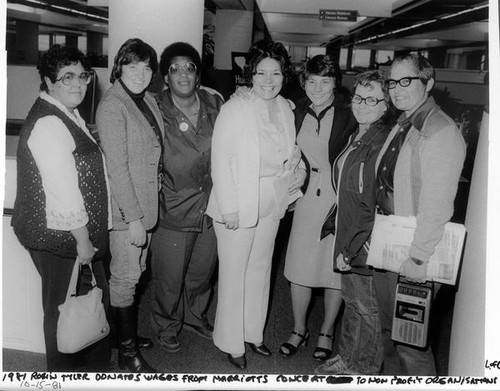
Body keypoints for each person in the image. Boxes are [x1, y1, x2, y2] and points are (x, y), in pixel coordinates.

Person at [206, 40, 305, 370]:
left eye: (275, 72)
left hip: (271, 200)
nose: (268, 79)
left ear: (284, 75)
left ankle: (252, 333)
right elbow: (220, 159)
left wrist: (292, 181)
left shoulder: (286, 109)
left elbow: (290, 156)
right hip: (236, 200)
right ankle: (230, 341)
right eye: (261, 72)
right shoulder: (235, 108)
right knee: (234, 274)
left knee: (261, 270)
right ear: (250, 74)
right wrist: (229, 206)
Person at [12, 44, 111, 372]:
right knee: (65, 315)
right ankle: (65, 377)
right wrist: (83, 241)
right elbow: (63, 191)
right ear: (47, 80)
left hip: (69, 237)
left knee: (79, 310)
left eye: (82, 76)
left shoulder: (66, 114)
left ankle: (84, 373)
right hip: (63, 239)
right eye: (66, 77)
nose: (77, 84)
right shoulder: (49, 124)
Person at [372, 53, 466, 375]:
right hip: (391, 242)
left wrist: (418, 257)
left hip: (413, 253)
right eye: (392, 82)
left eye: (405, 81)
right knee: (390, 334)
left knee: (410, 342)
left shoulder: (440, 132)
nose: (396, 89)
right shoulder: (406, 123)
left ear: (428, 83)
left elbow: (437, 205)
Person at [315, 70, 396, 375]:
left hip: (364, 241)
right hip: (349, 234)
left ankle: (363, 371)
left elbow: (369, 204)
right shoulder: (358, 134)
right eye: (358, 97)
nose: (362, 104)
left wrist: (349, 249)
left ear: (385, 105)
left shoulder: (379, 143)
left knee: (368, 311)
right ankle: (347, 356)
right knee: (353, 303)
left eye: (372, 99)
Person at [280, 55, 357, 360]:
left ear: (335, 83)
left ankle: (326, 331)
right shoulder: (294, 109)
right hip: (306, 198)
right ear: (304, 82)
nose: (318, 87)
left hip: (337, 199)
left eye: (325, 81)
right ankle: (299, 329)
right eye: (312, 80)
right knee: (299, 268)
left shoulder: (350, 113)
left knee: (332, 269)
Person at [150, 42, 223, 353]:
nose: (183, 74)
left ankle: (195, 316)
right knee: (170, 275)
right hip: (173, 205)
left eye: (189, 67)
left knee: (202, 271)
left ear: (197, 73)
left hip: (211, 203)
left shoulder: (214, 102)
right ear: (165, 76)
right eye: (174, 69)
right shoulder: (155, 107)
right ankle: (166, 323)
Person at [96, 38, 164, 373]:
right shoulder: (113, 105)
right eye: (132, 65)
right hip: (128, 213)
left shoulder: (146, 99)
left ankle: (123, 336)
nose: (141, 72)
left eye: (147, 65)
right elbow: (117, 168)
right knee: (125, 278)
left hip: (145, 206)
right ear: (119, 67)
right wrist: (134, 218)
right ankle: (126, 353)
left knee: (135, 275)